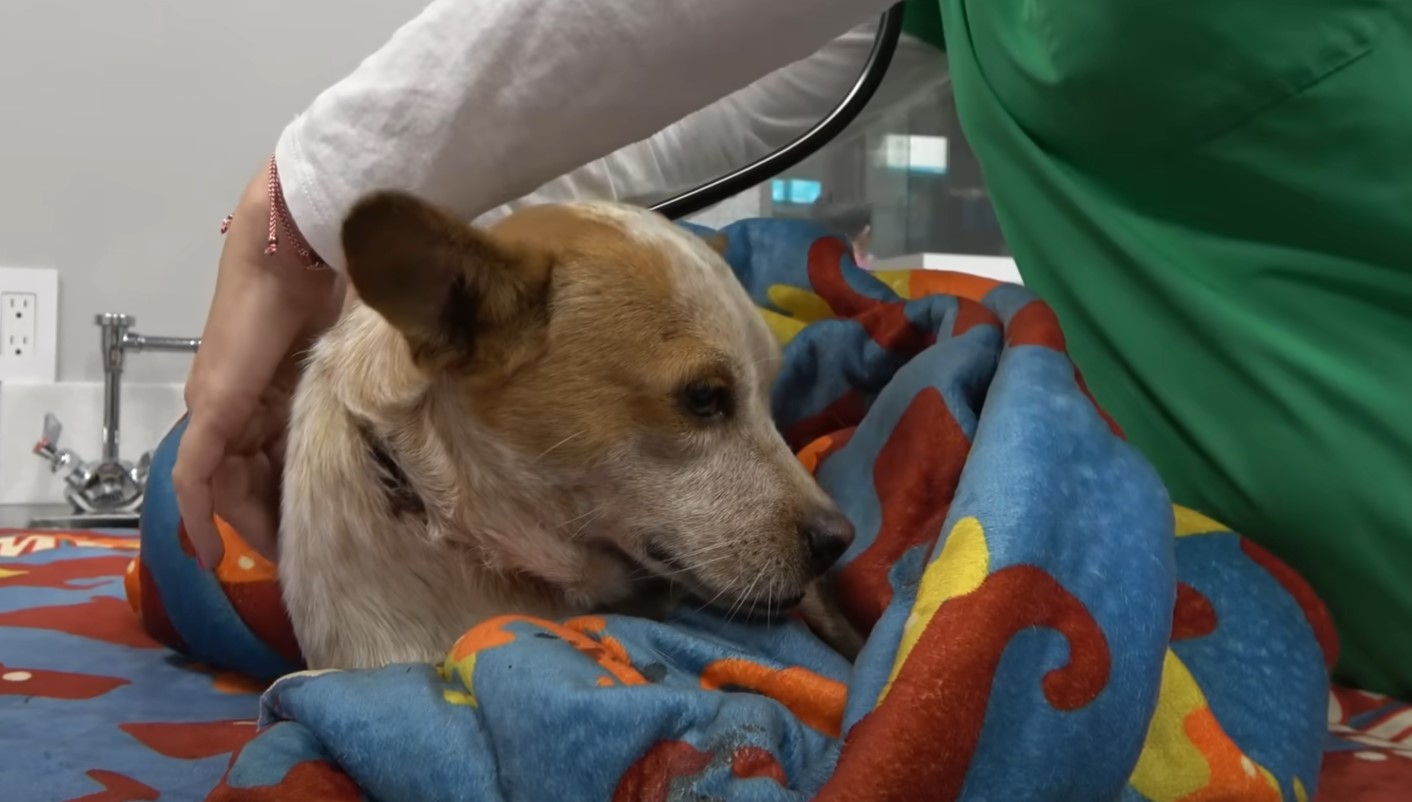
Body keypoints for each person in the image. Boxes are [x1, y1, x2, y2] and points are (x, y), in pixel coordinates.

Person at [175, 0, 1412, 698]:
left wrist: (313, 187)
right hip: (1240, 577)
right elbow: (655, 114)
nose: (825, 521)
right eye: (709, 404)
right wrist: (361, 237)